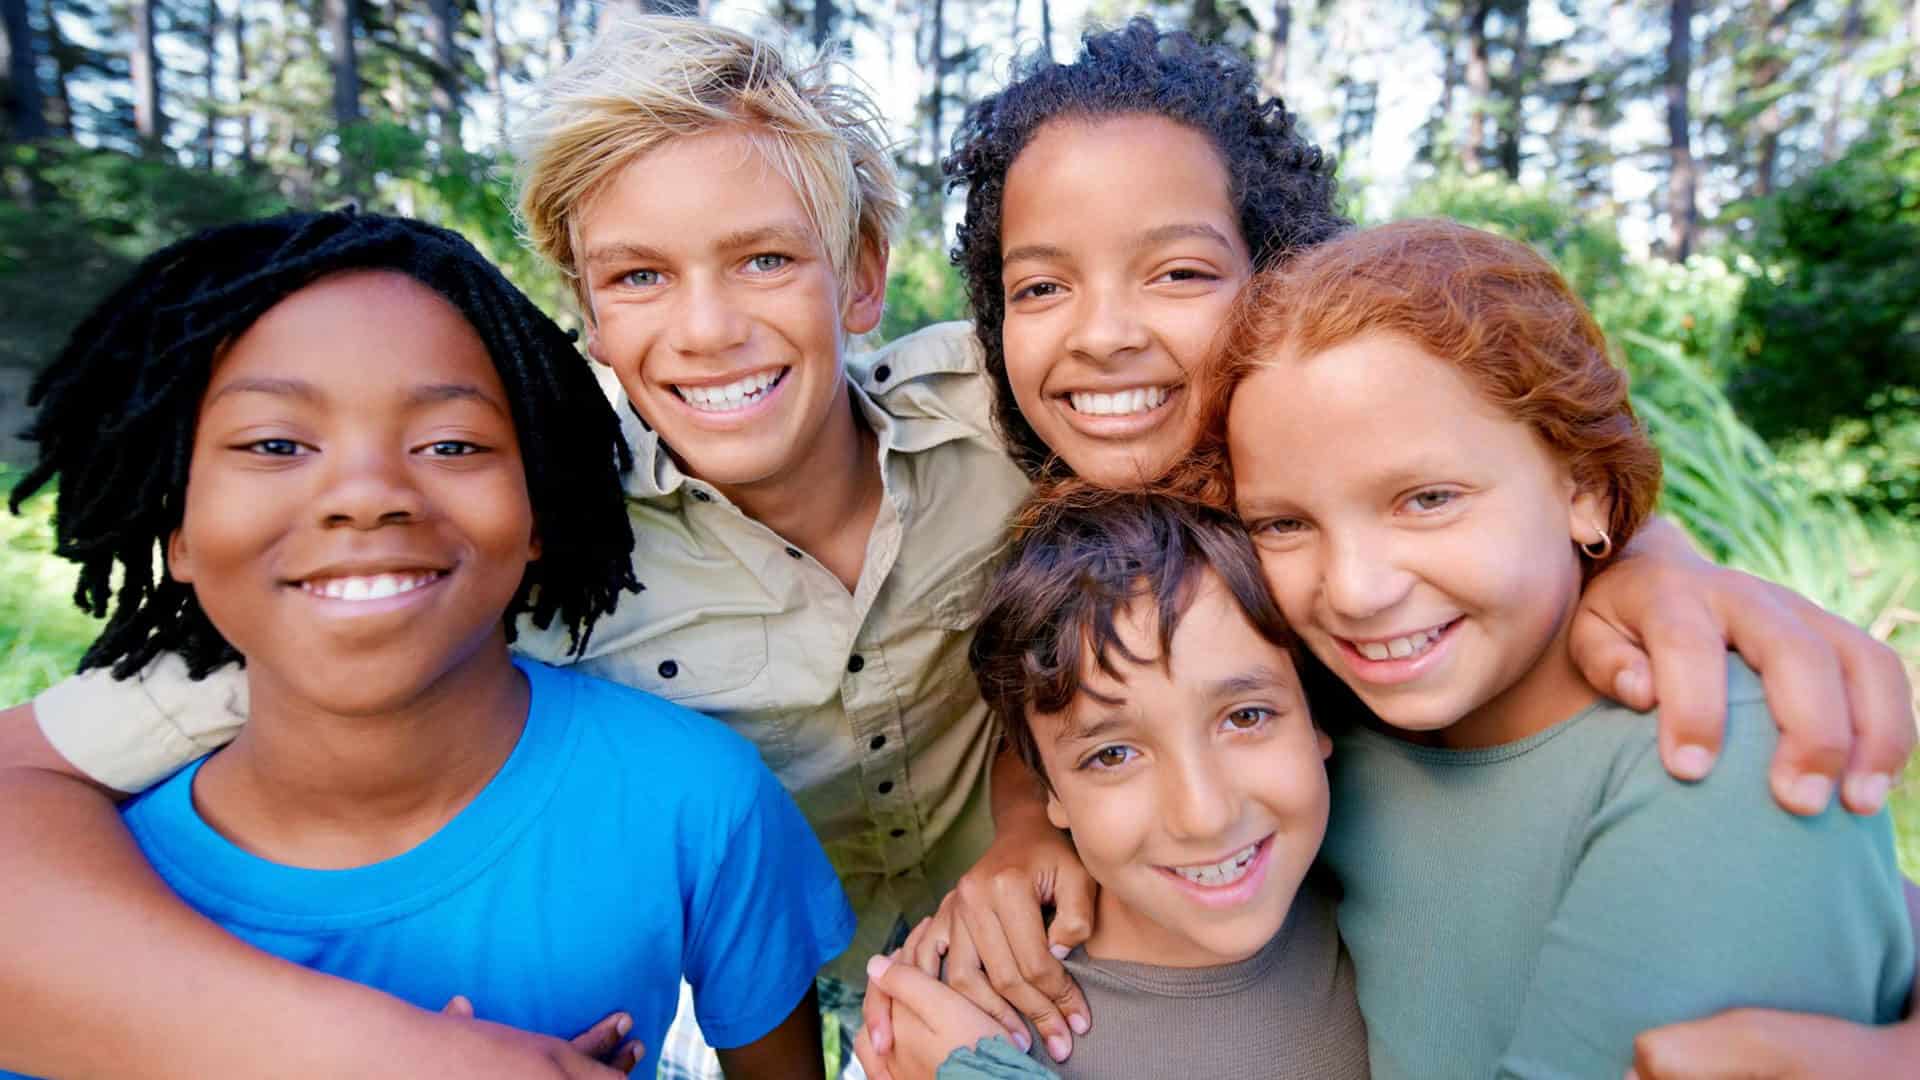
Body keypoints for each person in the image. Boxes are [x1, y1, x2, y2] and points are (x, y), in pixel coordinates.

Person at [860, 18, 1918, 1071]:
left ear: (1279, 284)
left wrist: (1650, 559)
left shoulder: (1631, 689)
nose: (1102, 333)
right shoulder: (1306, 644)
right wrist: (1029, 823)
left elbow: (1796, 877)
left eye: (1179, 273)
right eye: (1283, 522)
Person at [0, 16, 1029, 1078]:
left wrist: (1035, 823)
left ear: (861, 274)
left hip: (1017, 954)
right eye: (638, 278)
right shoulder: (523, 536)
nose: (709, 328)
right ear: (586, 312)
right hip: (762, 982)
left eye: (764, 258)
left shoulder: (1007, 422)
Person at [0, 210, 851, 1079]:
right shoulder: (60, 889)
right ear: (176, 527)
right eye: (276, 444)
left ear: (538, 514)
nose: (367, 496)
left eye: (451, 444)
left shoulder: (695, 798)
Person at [951, 485, 1367, 1078]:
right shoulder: (973, 1028)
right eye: (1113, 754)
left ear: (1316, 717)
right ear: (1046, 789)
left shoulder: (1395, 910)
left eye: (1246, 717)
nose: (1205, 816)